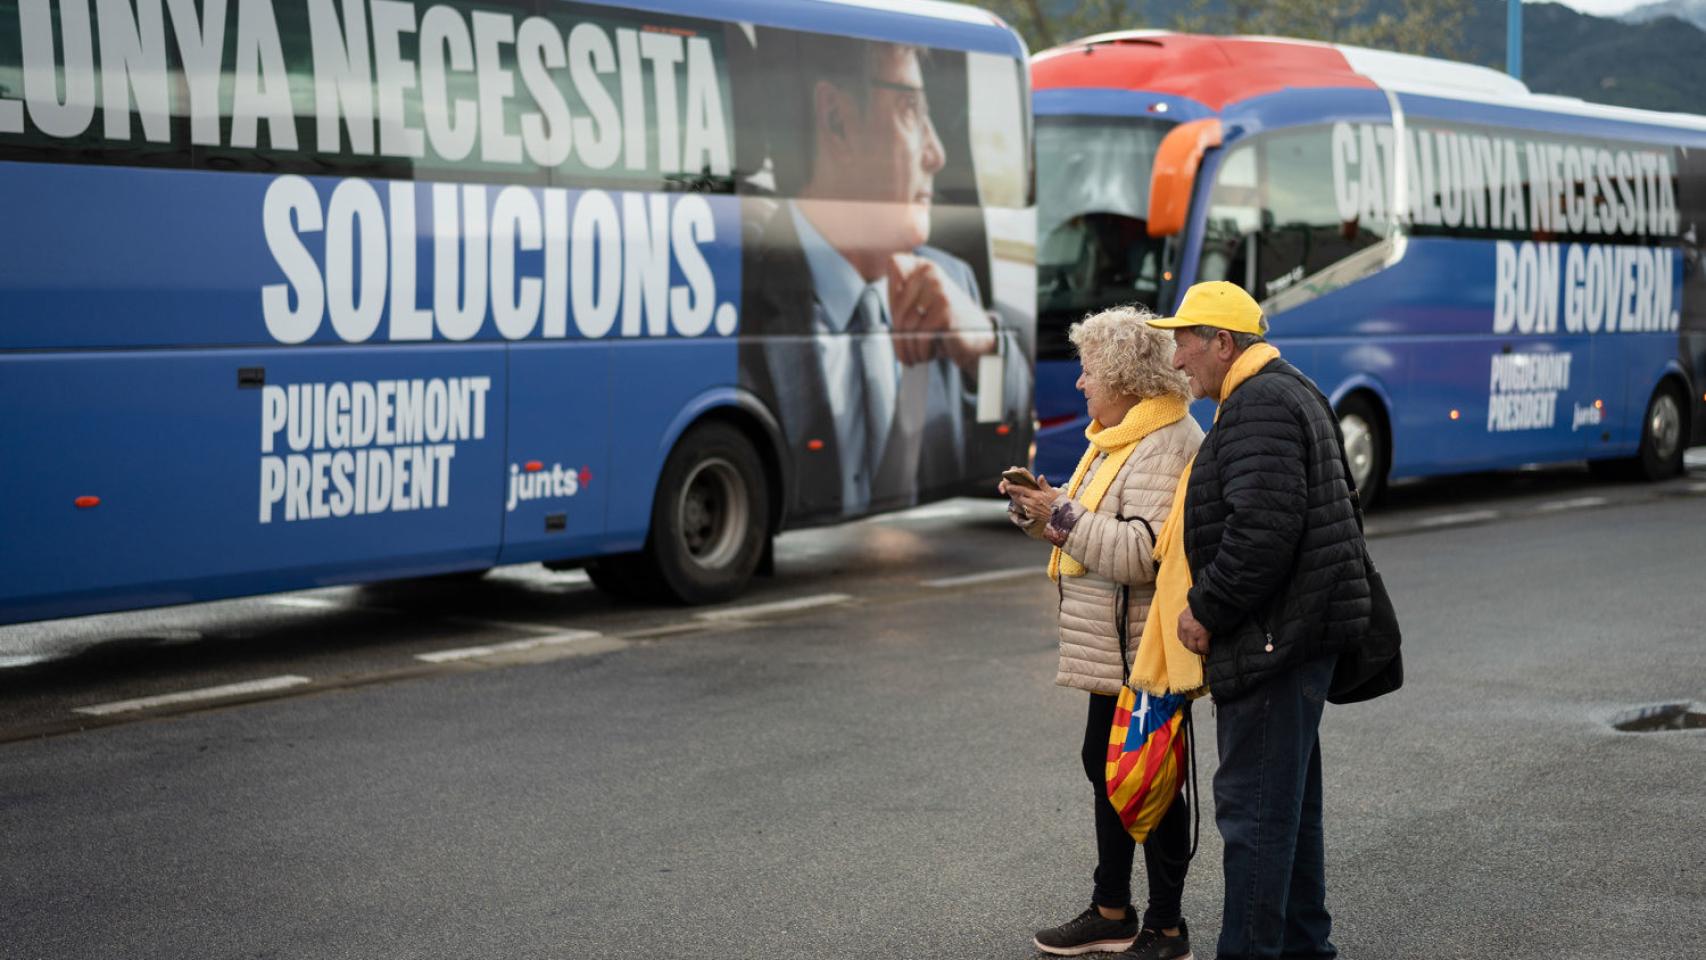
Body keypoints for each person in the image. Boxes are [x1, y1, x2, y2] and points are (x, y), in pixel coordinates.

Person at [1145, 281, 1374, 960]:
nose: (1179, 359)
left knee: (1255, 821)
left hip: (1275, 642)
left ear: (1224, 342)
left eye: (1187, 341)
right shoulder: (1284, 390)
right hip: (1297, 637)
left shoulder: (1260, 406)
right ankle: (1308, 949)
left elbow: (1262, 532)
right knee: (1289, 817)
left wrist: (1206, 608)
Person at [740, 35, 1031, 518]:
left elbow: (1005, 432)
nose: (936, 153)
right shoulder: (743, 284)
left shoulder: (953, 282)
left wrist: (985, 351)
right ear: (836, 120)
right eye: (912, 111)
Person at [1002, 306, 1203, 960]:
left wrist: (1058, 512)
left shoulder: (1166, 441)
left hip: (1143, 650)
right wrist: (1041, 510)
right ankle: (1113, 909)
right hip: (1112, 646)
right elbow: (1086, 525)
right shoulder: (1118, 434)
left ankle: (1165, 928)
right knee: (1110, 770)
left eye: (1090, 371)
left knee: (1149, 781)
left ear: (1124, 377)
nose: (1081, 383)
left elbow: (1139, 552)